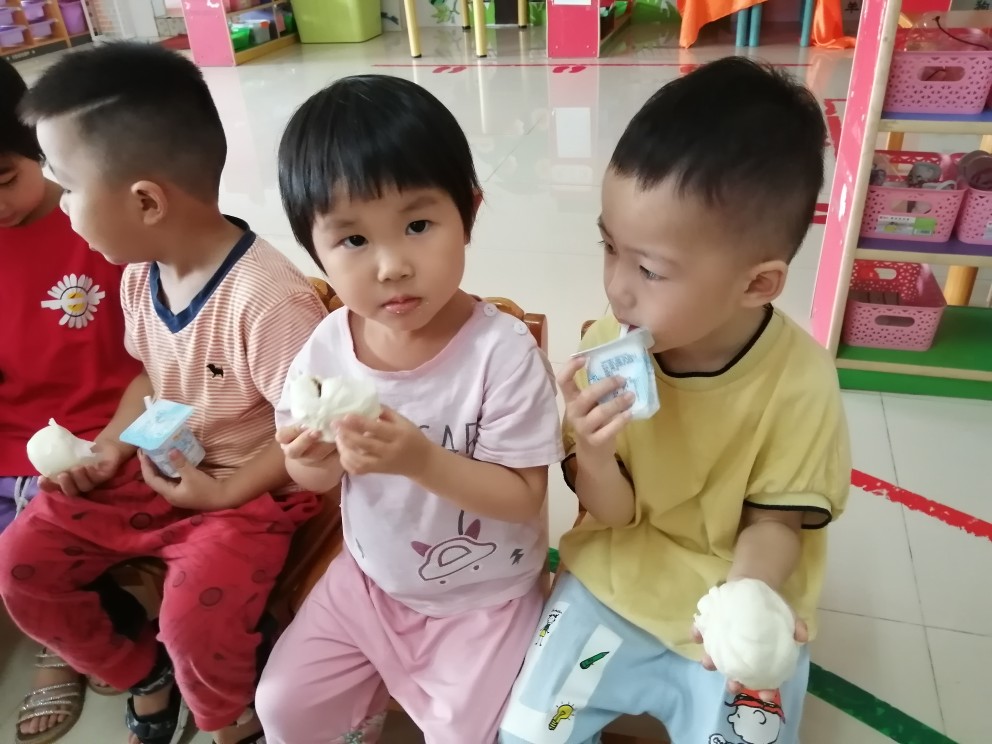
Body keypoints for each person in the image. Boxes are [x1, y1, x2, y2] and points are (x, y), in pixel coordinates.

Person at [498, 58, 851, 744]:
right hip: (616, 584)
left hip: (738, 589)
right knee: (531, 732)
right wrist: (593, 453)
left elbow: (776, 525)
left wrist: (744, 608)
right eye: (609, 247)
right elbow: (613, 515)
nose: (617, 288)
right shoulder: (608, 345)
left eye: (650, 269)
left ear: (757, 284)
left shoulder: (801, 382)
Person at [0, 43, 327, 744]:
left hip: (248, 491)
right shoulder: (138, 274)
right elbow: (149, 373)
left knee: (191, 621)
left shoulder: (269, 301)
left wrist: (224, 492)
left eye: (67, 185)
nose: (63, 209)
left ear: (145, 200)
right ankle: (140, 672)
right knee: (23, 562)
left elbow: (309, 432)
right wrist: (108, 447)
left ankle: (229, 718)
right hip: (162, 466)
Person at [254, 75, 564, 744]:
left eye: (418, 226)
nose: (391, 266)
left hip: (485, 598)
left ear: (469, 213)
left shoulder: (501, 353)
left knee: (469, 734)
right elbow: (310, 475)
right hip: (369, 582)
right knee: (282, 705)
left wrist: (421, 460)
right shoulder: (327, 346)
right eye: (353, 241)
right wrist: (312, 459)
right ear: (314, 249)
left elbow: (522, 497)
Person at [0, 56, 149, 744]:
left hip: (103, 427)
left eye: (5, 179)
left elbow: (159, 356)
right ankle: (71, 628)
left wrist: (111, 439)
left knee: (40, 537)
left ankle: (81, 641)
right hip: (13, 435)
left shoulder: (95, 220)